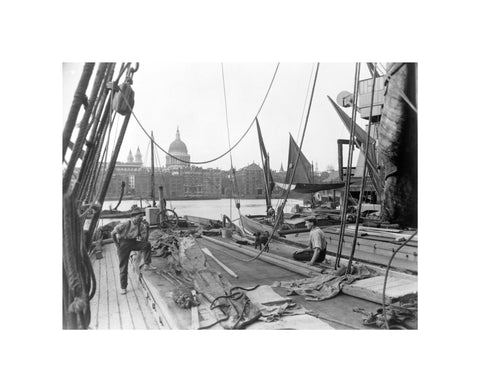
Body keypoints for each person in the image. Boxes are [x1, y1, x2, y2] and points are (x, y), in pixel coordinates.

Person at [111, 208, 156, 295]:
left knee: (147, 245)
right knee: (123, 266)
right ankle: (123, 287)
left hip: (133, 242)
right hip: (123, 244)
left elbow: (144, 239)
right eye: (139, 217)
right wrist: (117, 245)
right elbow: (113, 233)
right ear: (133, 217)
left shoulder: (140, 225)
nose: (141, 218)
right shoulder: (125, 224)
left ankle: (147, 264)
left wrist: (147, 229)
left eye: (142, 217)